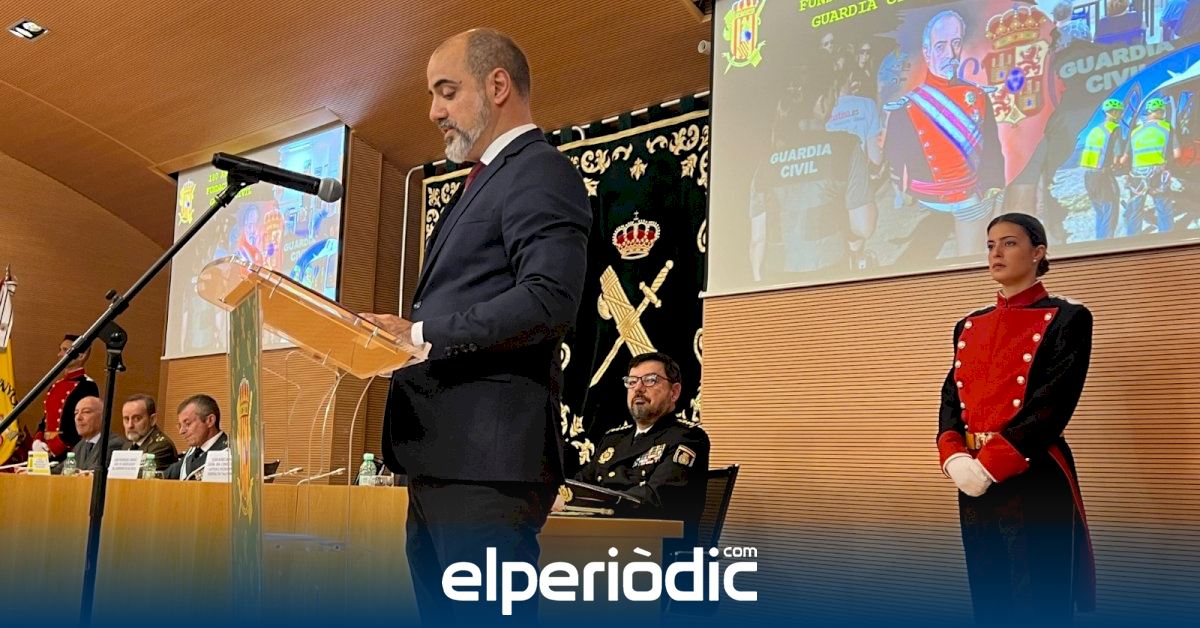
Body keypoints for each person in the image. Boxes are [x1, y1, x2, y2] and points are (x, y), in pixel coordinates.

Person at [360, 28, 590, 623]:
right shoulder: (480, 181)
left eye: (447, 91)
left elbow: (547, 300)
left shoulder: (538, 170)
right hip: (443, 460)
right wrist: (395, 337)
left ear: (498, 85)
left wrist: (417, 336)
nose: (433, 112)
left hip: (487, 466)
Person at [937, 213, 1095, 624]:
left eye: (1009, 243)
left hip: (1032, 470)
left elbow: (1053, 403)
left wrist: (989, 465)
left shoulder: (1069, 317)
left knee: (1041, 595)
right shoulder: (969, 324)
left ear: (1038, 252)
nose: (996, 253)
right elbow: (952, 397)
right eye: (991, 245)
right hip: (972, 475)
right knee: (989, 592)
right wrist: (954, 457)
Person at [884, 9, 1005, 258]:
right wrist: (902, 194)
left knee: (969, 263)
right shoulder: (905, 108)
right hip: (926, 202)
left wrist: (994, 187)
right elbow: (894, 159)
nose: (950, 54)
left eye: (956, 43)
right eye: (940, 46)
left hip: (970, 197)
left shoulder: (978, 96)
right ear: (927, 52)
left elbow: (993, 148)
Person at [557, 352, 710, 547]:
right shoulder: (613, 440)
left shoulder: (688, 437)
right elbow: (581, 485)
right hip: (599, 539)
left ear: (674, 392)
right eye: (631, 382)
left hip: (652, 547)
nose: (638, 388)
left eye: (650, 380)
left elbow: (655, 499)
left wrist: (596, 505)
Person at [749, 57, 876, 282]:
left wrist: (760, 285)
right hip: (831, 276)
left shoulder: (765, 162)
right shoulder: (846, 147)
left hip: (778, 281)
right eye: (833, 95)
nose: (835, 102)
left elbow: (757, 240)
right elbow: (863, 227)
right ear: (821, 102)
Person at [32, 334, 99, 460]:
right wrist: (38, 440)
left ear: (81, 356)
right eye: (60, 349)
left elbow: (83, 424)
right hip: (46, 453)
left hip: (70, 455)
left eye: (65, 350)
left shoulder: (87, 386)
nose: (59, 354)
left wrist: (55, 449)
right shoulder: (56, 385)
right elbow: (46, 420)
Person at [1122, 98, 1180, 235]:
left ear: (1148, 112)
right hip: (1158, 172)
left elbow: (1124, 159)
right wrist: (1166, 164)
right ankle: (1166, 240)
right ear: (1160, 112)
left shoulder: (1135, 131)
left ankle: (1133, 240)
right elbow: (1177, 154)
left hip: (1137, 173)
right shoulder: (1166, 127)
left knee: (1135, 210)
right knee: (1163, 208)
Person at [1079, 99, 1127, 239]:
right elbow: (1117, 156)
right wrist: (1119, 165)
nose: (1121, 114)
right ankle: (1107, 244)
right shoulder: (1114, 129)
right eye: (1119, 112)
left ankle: (1099, 242)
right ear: (1113, 112)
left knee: (1100, 213)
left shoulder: (1095, 130)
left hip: (1089, 177)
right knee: (1110, 214)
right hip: (1103, 176)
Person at [53, 396, 126, 473]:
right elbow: (59, 471)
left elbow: (95, 473)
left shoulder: (114, 444)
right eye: (76, 413)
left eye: (86, 412)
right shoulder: (80, 445)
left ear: (103, 416)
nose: (78, 418)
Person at [164, 394, 228, 480]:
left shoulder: (227, 453)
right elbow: (164, 476)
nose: (181, 431)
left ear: (210, 420)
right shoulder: (193, 451)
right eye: (180, 426)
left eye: (187, 423)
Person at [119, 394, 179, 472]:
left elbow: (142, 476)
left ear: (152, 419)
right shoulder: (127, 445)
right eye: (126, 419)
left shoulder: (162, 446)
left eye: (137, 419)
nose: (130, 425)